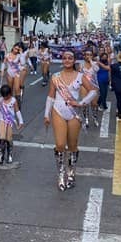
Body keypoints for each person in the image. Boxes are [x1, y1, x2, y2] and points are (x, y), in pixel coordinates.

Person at [43, 49, 98, 191]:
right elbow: (50, 96)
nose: (67, 60)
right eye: (65, 58)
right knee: (60, 144)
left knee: (72, 145)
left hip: (74, 113)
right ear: (62, 60)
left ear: (74, 60)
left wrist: (82, 102)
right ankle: (61, 174)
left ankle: (71, 173)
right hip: (58, 110)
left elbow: (93, 91)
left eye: (70, 58)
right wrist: (46, 114)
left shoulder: (80, 76)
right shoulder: (55, 77)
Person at [0, 84, 23, 165]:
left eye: (6, 96)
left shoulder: (13, 101)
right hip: (2, 119)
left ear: (10, 94)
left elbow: (17, 111)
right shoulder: (0, 100)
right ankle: (1, 155)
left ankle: (9, 154)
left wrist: (20, 121)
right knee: (2, 137)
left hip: (10, 121)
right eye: (3, 96)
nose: (5, 98)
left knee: (8, 138)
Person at [79, 49, 100, 128]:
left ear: (92, 56)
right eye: (86, 55)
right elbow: (79, 75)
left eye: (90, 55)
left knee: (94, 104)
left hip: (94, 86)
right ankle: (86, 120)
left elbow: (96, 69)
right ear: (84, 56)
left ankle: (95, 118)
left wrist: (91, 61)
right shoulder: (81, 64)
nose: (88, 56)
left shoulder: (95, 63)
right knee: (85, 103)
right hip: (84, 86)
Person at [2, 44, 25, 112]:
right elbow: (4, 63)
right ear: (13, 48)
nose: (16, 50)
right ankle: (10, 104)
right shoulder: (8, 55)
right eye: (15, 48)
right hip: (9, 73)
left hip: (16, 73)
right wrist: (2, 71)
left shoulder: (19, 55)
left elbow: (23, 63)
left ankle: (18, 107)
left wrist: (21, 53)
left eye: (18, 49)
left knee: (17, 89)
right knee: (10, 89)